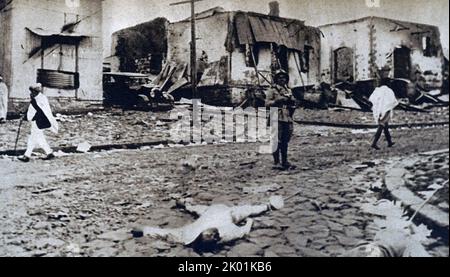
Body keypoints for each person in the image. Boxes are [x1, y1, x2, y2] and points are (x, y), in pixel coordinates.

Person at [132, 196, 284, 251]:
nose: (214, 233)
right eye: (214, 235)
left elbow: (166, 234)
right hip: (227, 213)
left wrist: (145, 230)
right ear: (217, 238)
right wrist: (249, 222)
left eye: (210, 234)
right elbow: (244, 230)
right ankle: (267, 206)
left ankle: (184, 204)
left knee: (194, 209)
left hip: (209, 212)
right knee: (247, 210)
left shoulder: (187, 236)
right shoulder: (227, 234)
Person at [18, 84, 58, 162]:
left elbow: (37, 111)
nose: (31, 93)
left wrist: (26, 117)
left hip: (39, 121)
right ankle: (49, 153)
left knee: (33, 138)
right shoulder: (39, 98)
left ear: (35, 91)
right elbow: (32, 109)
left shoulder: (38, 99)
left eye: (32, 91)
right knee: (39, 138)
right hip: (39, 121)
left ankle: (26, 156)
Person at [265, 70, 297, 170]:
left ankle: (285, 161)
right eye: (280, 77)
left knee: (285, 140)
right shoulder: (272, 90)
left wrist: (292, 102)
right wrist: (277, 100)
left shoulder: (288, 90)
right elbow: (267, 104)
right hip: (276, 115)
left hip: (287, 116)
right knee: (276, 140)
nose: (282, 79)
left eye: (284, 78)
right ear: (276, 79)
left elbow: (293, 103)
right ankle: (276, 162)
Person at [369, 78, 399, 150]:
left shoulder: (377, 90)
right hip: (386, 110)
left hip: (378, 110)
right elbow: (392, 101)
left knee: (385, 126)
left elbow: (371, 99)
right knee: (382, 125)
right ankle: (374, 143)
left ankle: (389, 142)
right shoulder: (389, 91)